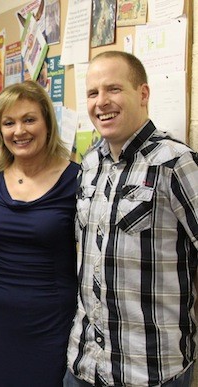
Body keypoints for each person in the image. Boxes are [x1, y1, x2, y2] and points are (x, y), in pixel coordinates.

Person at [64, 51, 198, 387]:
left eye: (114, 89)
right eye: (93, 93)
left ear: (143, 94)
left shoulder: (175, 163)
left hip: (150, 370)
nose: (101, 102)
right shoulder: (90, 163)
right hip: (84, 366)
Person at [0, 80, 79, 386]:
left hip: (52, 321)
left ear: (47, 123)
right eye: (9, 122)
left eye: (29, 119)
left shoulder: (77, 179)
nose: (19, 131)